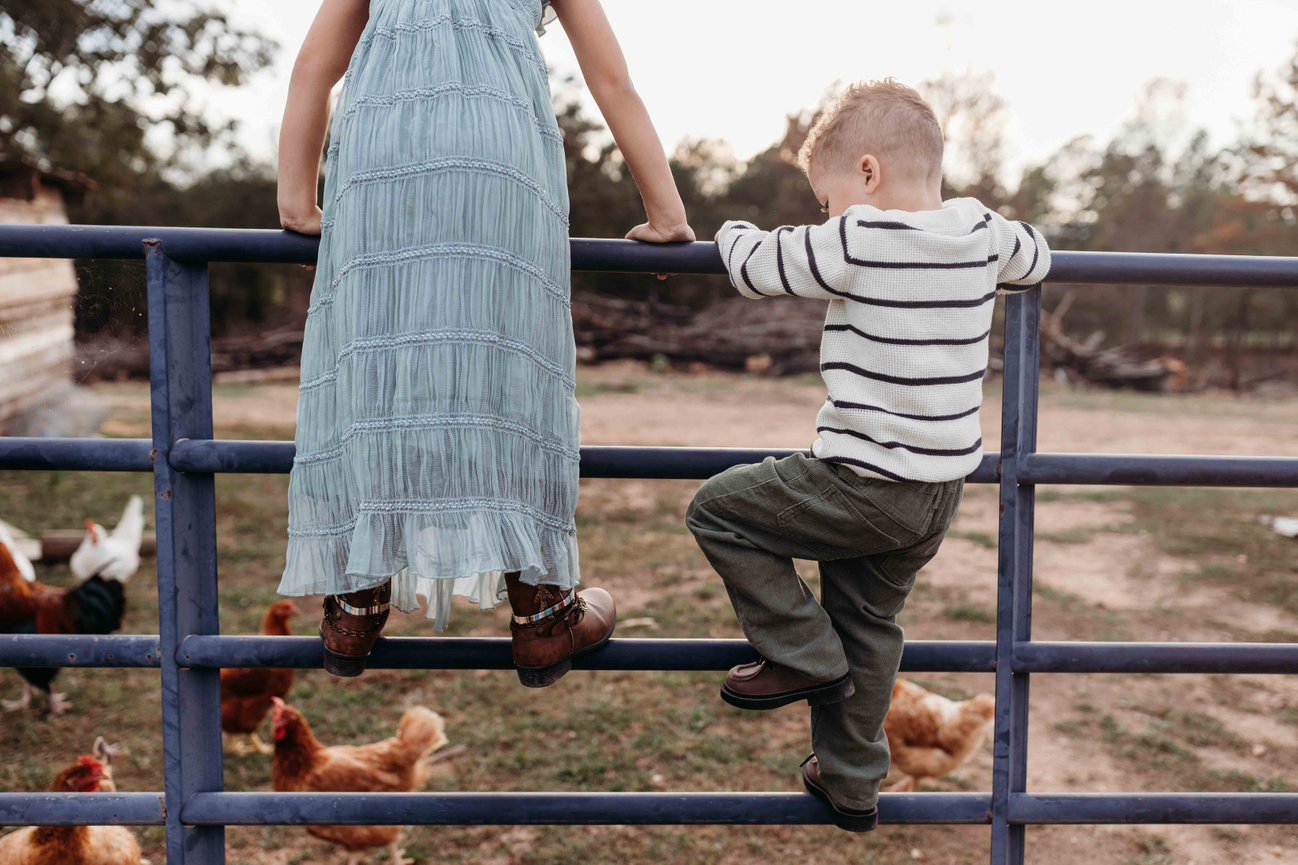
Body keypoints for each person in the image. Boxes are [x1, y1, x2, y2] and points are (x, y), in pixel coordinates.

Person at [276, 0, 694, 680]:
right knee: (511, 356)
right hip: (500, 145)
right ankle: (542, 616)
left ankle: (355, 603)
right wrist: (667, 213)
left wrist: (296, 202)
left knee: (376, 349)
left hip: (379, 150)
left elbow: (312, 70)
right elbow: (611, 80)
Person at [686, 79, 1050, 831]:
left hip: (863, 479)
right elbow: (1038, 256)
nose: (824, 217)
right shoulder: (981, 231)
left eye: (826, 199)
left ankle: (803, 648)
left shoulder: (857, 238)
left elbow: (758, 264)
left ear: (870, 174)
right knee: (872, 621)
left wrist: (723, 233)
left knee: (717, 509)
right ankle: (852, 780)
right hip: (937, 493)